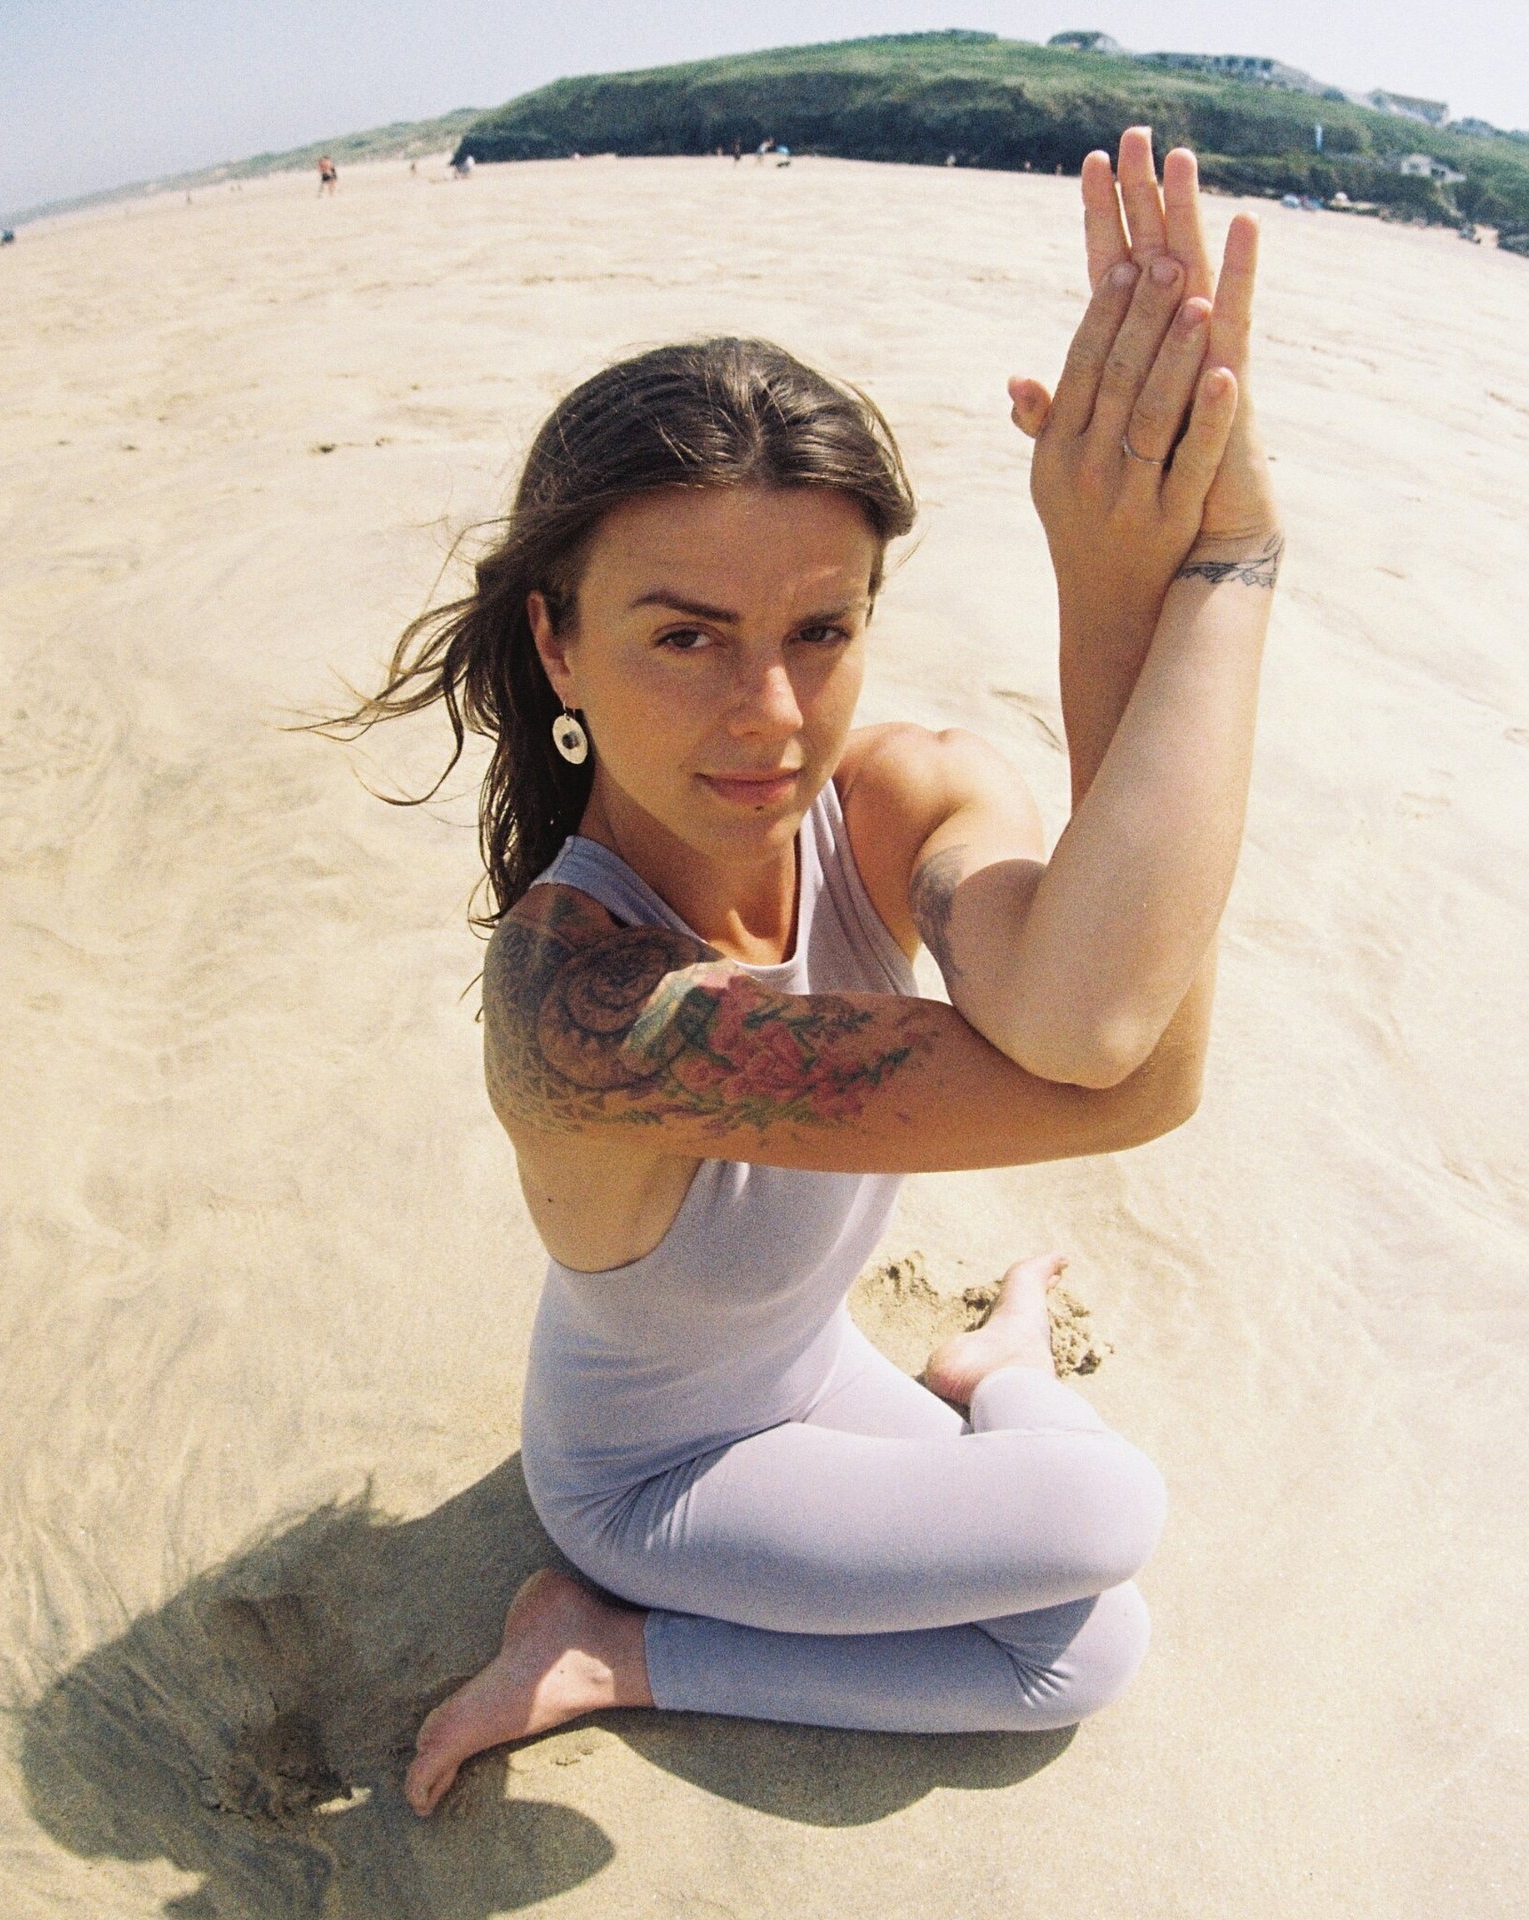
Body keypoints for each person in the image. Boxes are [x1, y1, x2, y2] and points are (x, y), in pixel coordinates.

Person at [325, 129, 1281, 1814]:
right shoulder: (584, 1006)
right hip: (655, 1472)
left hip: (805, 1365)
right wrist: (1211, 587)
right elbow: (1140, 1080)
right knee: (1101, 1518)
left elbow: (1093, 1016)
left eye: (820, 631)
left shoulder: (898, 793)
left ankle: (983, 1374)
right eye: (685, 636)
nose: (768, 715)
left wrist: (1153, 576)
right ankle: (607, 1640)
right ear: (558, 639)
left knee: (1081, 1650)